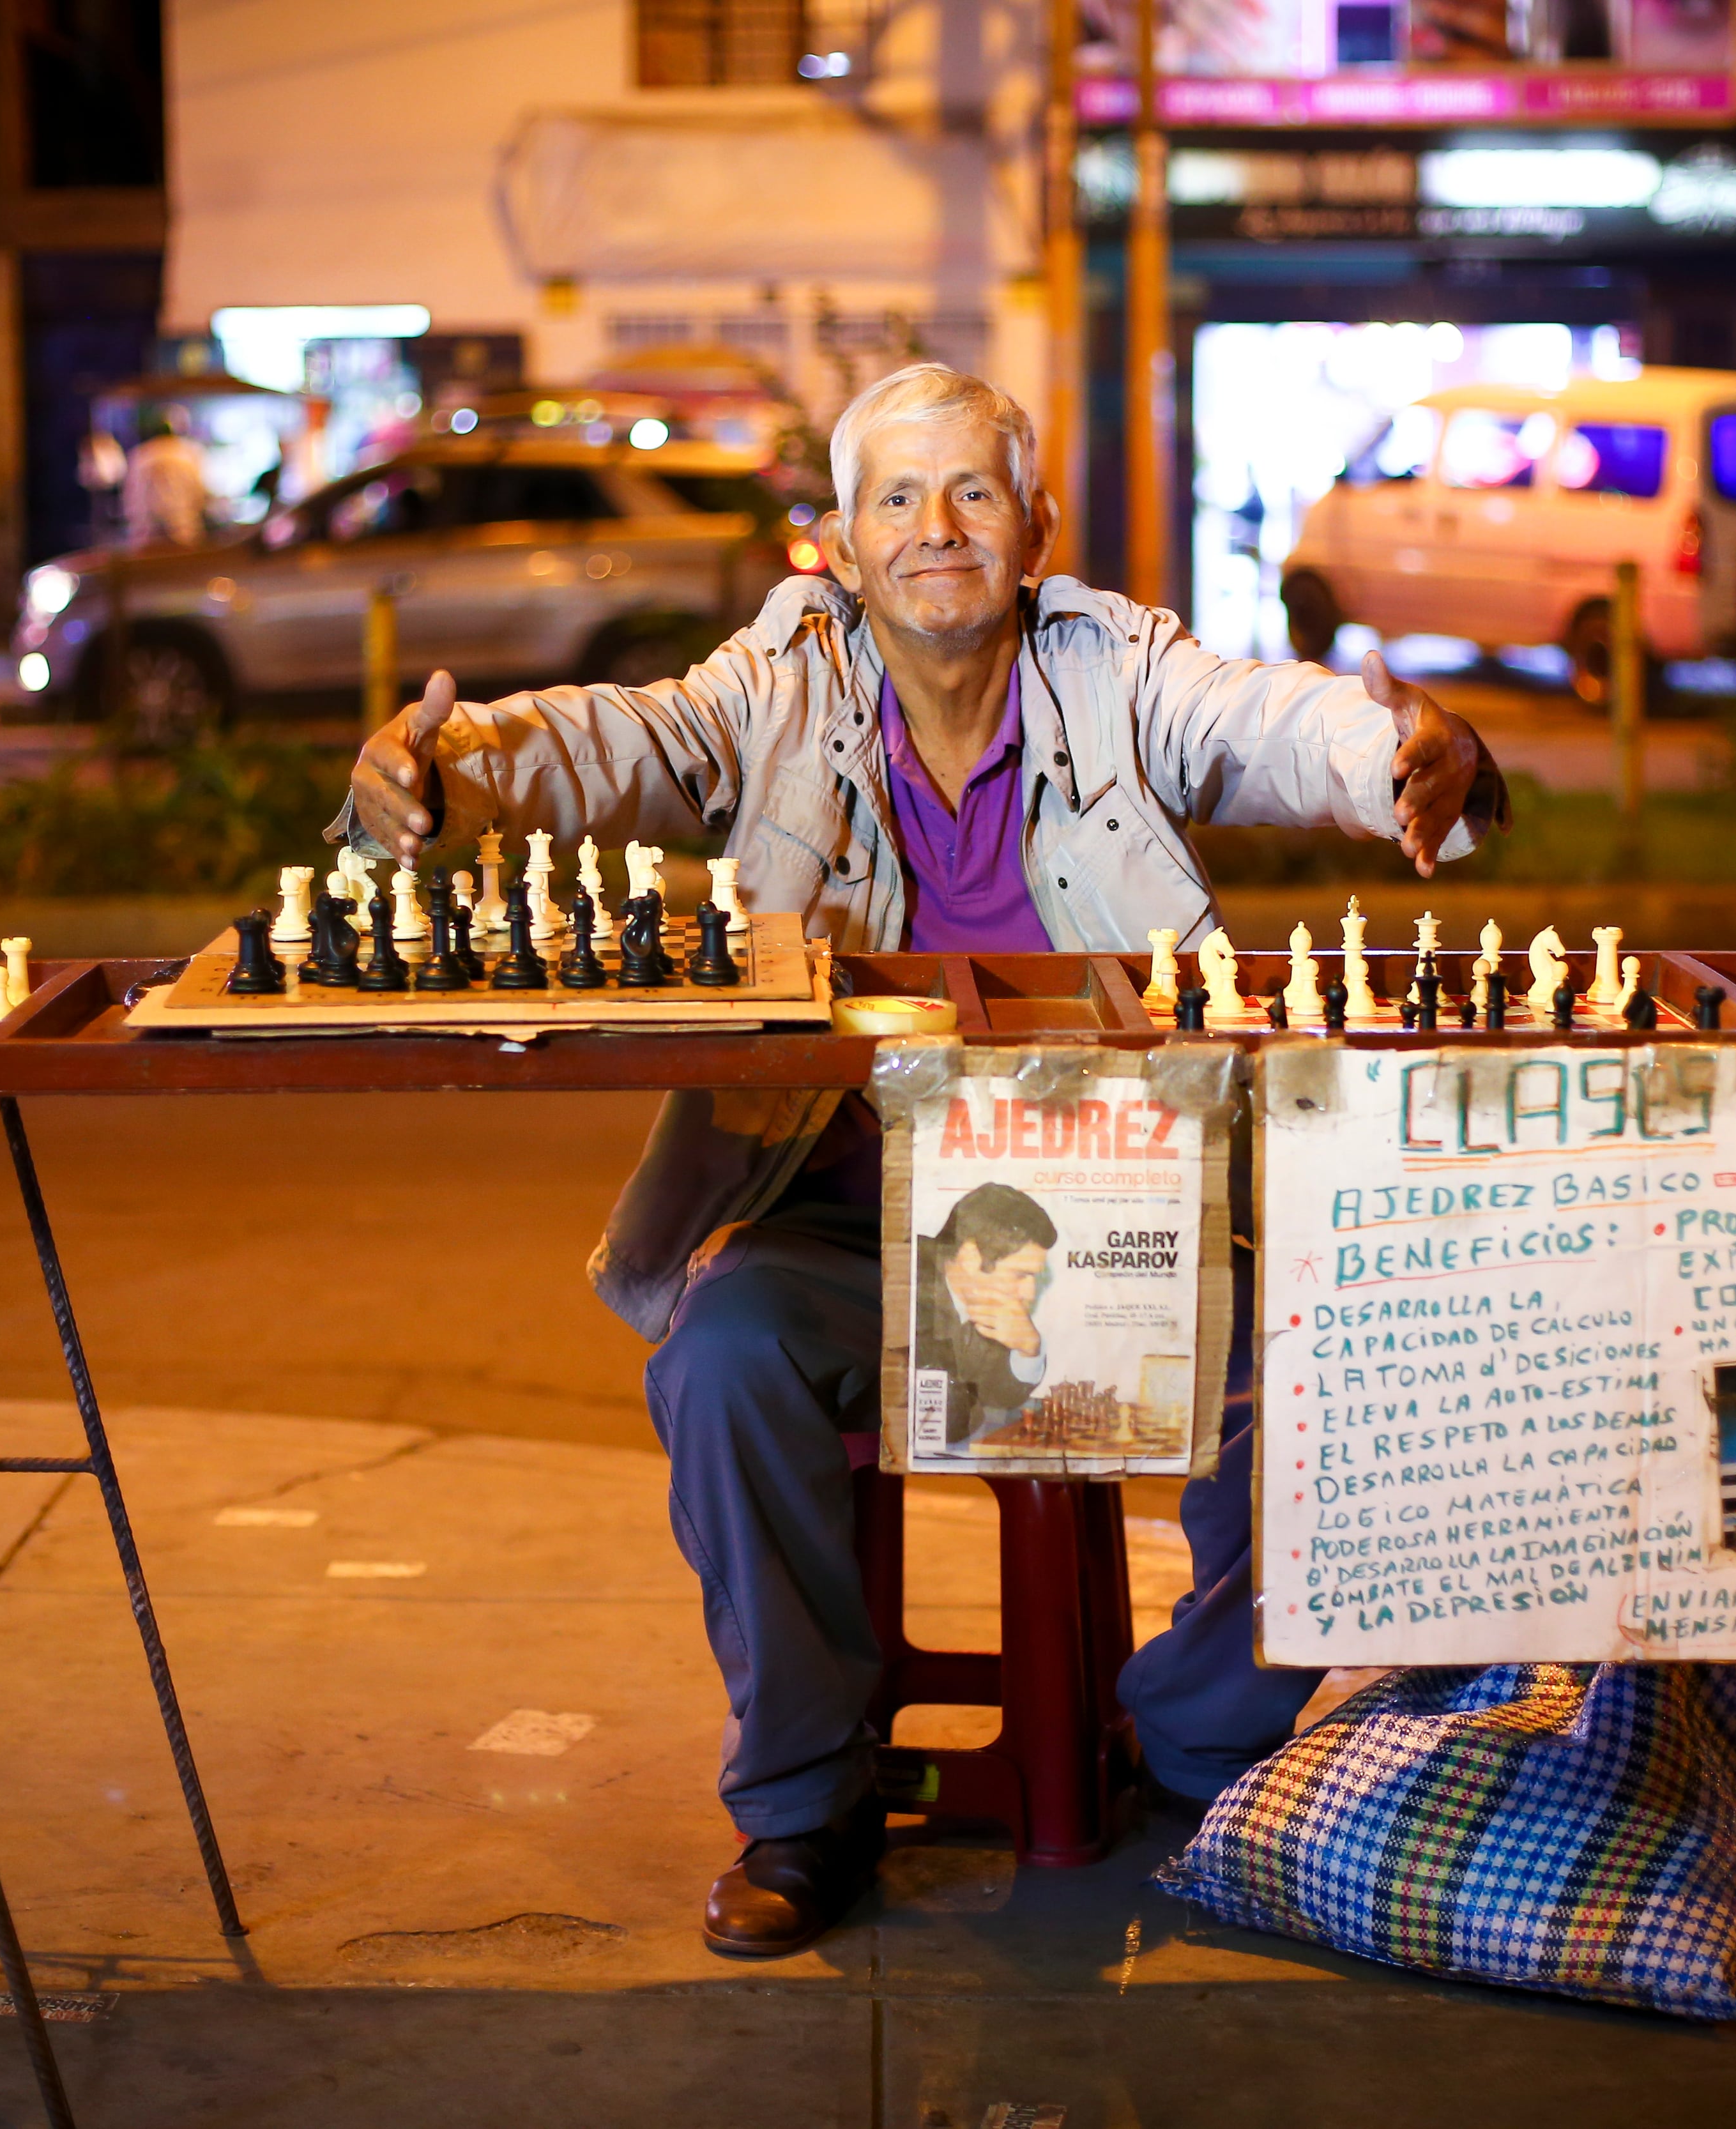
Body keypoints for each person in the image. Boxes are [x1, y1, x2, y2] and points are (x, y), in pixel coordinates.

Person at [341, 362, 1504, 1960]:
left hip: (1123, 1224)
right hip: (845, 1221)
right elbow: (623, 739)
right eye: (896, 497)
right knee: (723, 1356)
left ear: (1033, 528)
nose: (935, 529)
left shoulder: (1116, 670)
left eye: (970, 494)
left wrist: (1398, 748)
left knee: (1336, 1363)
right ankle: (805, 1804)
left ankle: (1188, 1740)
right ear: (837, 536)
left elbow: (1268, 716)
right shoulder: (783, 681)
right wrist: (456, 764)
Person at [911, 1183, 1055, 1446]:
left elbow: (998, 1398)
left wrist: (1028, 1349)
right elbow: (947, 1423)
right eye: (1020, 1275)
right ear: (970, 1257)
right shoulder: (910, 1276)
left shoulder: (986, 1302)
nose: (1030, 1293)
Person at [122, 405, 209, 548]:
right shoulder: (190, 454)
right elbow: (199, 492)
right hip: (183, 529)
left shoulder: (140, 455)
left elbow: (130, 496)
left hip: (147, 533)